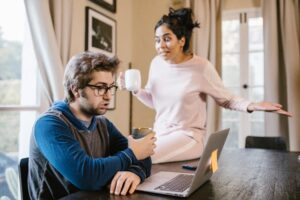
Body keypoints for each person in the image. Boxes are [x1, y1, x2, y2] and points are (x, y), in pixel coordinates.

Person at [119, 8, 292, 164]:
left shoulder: (201, 67)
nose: (161, 46)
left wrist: (252, 105)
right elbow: (156, 101)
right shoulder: (156, 63)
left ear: (181, 40)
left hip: (188, 137)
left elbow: (227, 99)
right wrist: (135, 90)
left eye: (167, 39)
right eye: (157, 40)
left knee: (138, 157)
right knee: (126, 150)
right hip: (160, 134)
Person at [28, 51, 156, 199]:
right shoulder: (49, 125)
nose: (108, 96)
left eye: (110, 88)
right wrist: (132, 154)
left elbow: (143, 154)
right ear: (75, 89)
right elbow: (87, 176)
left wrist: (135, 173)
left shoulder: (103, 124)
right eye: (100, 88)